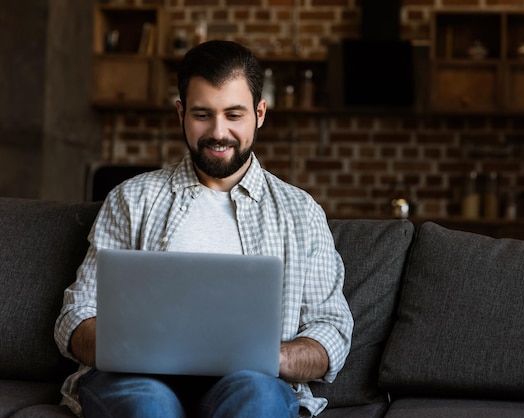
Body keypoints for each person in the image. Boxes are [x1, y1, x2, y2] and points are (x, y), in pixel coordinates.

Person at [54, 40, 353, 418]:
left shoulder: (301, 212)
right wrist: (127, 348)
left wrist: (267, 356)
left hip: (249, 381)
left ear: (260, 113)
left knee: (259, 400)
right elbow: (77, 313)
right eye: (202, 114)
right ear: (180, 114)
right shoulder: (131, 199)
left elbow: (332, 331)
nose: (218, 132)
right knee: (148, 405)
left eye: (234, 114)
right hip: (139, 379)